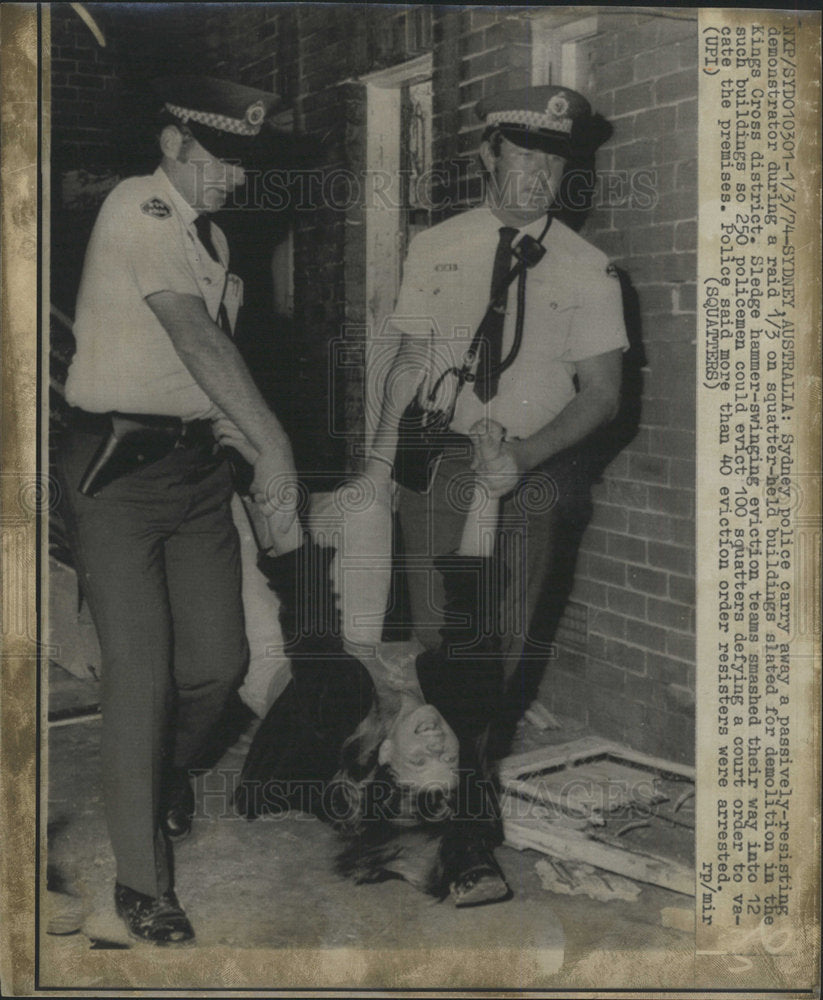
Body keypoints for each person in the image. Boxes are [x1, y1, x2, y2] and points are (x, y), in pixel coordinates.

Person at [57, 76, 298, 945]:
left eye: (244, 162)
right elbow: (193, 336)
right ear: (173, 143)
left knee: (218, 664)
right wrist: (278, 449)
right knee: (141, 675)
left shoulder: (215, 237)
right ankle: (140, 885)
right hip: (114, 473)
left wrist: (250, 461)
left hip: (197, 473)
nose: (234, 175)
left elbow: (211, 370)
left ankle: (159, 778)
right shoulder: (140, 208)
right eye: (220, 159)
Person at [382, 84, 629, 701]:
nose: (542, 174)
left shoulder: (588, 266)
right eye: (526, 154)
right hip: (439, 460)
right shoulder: (435, 245)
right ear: (489, 154)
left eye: (555, 161)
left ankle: (475, 773)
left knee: (506, 636)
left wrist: (522, 459)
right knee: (437, 628)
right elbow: (411, 361)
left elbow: (602, 395)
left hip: (532, 467)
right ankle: (435, 763)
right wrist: (379, 465)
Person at [230, 420, 512, 907]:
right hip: (359, 655)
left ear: (385, 756)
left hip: (281, 665)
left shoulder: (343, 710)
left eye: (420, 758)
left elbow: (310, 624)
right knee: (369, 496)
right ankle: (390, 414)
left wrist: (281, 524)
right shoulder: (462, 712)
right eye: (446, 758)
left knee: (238, 513)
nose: (436, 742)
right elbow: (475, 608)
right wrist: (488, 490)